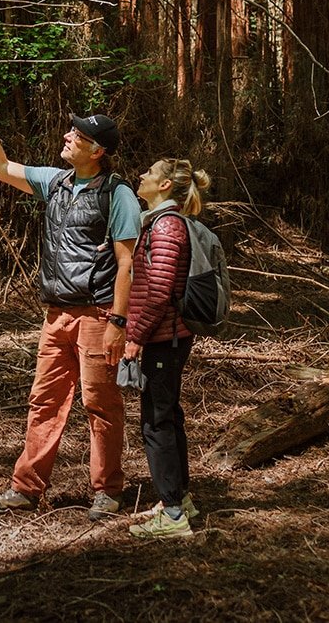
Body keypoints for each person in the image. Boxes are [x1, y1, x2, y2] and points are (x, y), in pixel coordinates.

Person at [0, 76, 142, 521]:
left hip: (99, 316)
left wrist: (120, 324)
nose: (68, 137)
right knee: (44, 400)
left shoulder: (117, 194)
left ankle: (107, 492)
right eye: (71, 131)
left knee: (100, 405)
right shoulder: (55, 183)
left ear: (97, 150)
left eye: (78, 135)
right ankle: (25, 490)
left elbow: (127, 264)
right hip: (56, 315)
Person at [122, 157, 211, 538]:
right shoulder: (160, 223)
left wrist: (134, 337)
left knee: (156, 422)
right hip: (166, 336)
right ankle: (179, 499)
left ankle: (173, 515)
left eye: (149, 172)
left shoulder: (167, 227)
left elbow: (158, 293)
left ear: (162, 186)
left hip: (163, 338)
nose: (141, 175)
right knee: (168, 416)